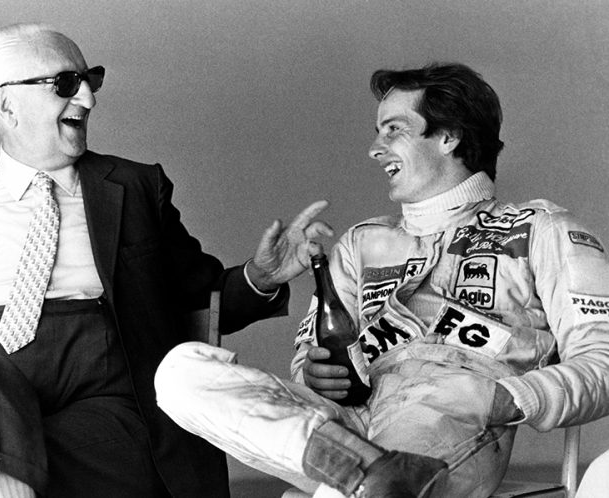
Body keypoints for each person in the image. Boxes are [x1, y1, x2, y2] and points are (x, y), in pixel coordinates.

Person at [0, 23, 333, 498]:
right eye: (66, 83)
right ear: (6, 105)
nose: (87, 99)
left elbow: (200, 299)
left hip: (111, 401)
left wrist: (262, 276)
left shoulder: (136, 188)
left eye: (91, 80)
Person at [155, 62, 609, 497]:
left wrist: (505, 397)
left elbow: (603, 363)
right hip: (344, 424)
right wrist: (315, 373)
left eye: (394, 129)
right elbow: (310, 361)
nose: (375, 148)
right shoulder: (360, 243)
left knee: (353, 487)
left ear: (448, 136)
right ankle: (374, 475)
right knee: (181, 371)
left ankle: (369, 477)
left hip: (448, 418)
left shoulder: (542, 229)